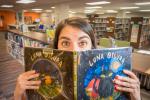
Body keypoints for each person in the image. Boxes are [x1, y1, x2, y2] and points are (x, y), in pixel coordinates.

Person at [14, 17, 141, 100]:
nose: (74, 50)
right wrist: (18, 95)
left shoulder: (107, 76)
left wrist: (136, 97)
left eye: (82, 43)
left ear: (92, 45)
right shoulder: (43, 75)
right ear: (56, 46)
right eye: (65, 43)